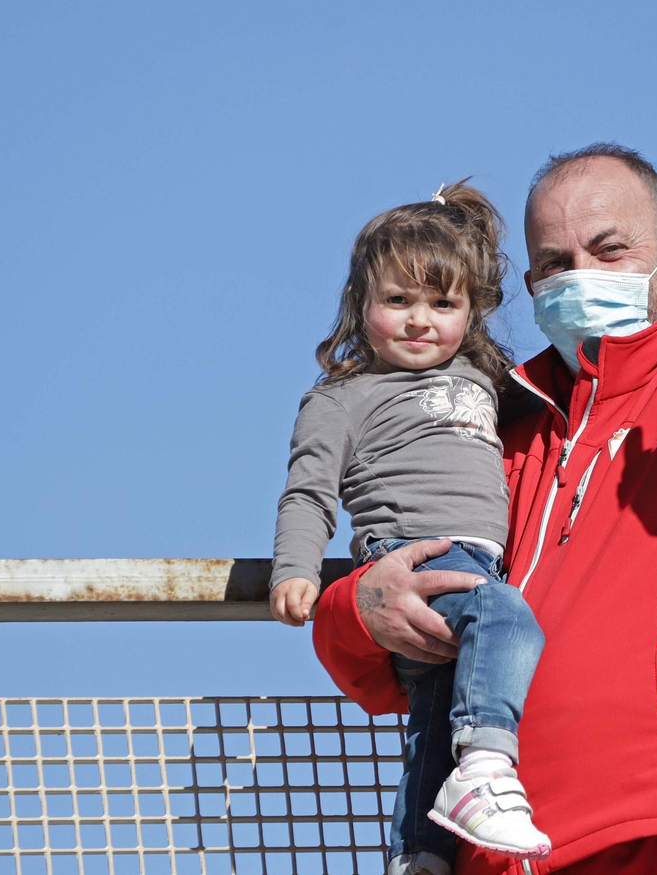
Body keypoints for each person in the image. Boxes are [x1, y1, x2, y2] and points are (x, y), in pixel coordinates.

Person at [313, 28, 657, 875]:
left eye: (610, 250)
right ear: (529, 289)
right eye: (553, 263)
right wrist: (360, 610)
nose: (580, 276)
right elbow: (377, 645)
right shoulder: (487, 431)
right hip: (496, 857)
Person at [268, 181, 553, 873]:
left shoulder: (484, 378)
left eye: (443, 303)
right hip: (416, 558)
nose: (420, 319)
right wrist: (297, 569)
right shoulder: (343, 397)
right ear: (360, 304)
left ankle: (420, 854)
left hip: (477, 560)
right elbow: (308, 491)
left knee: (430, 722)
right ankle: (486, 759)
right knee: (508, 617)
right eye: (398, 301)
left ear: (472, 311)